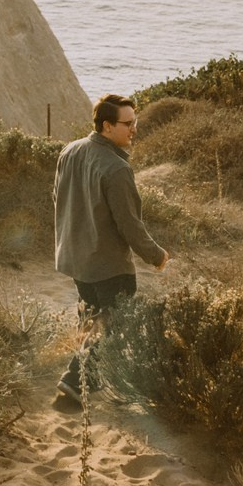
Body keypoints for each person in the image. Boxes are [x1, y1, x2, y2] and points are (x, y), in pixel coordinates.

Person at [52, 94, 166, 412]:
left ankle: (88, 381)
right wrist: (156, 255)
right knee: (111, 324)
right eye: (128, 124)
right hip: (108, 264)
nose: (134, 129)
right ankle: (75, 382)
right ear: (107, 126)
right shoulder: (116, 169)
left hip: (76, 257)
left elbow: (57, 199)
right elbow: (129, 224)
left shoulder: (70, 150)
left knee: (90, 319)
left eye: (135, 122)